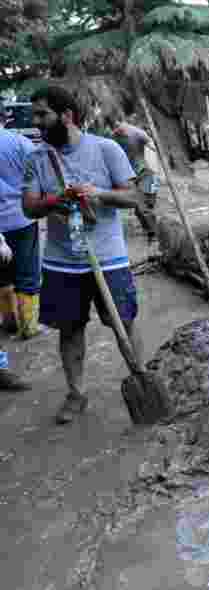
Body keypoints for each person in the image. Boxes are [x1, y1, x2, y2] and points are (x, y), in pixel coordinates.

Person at [21, 85, 144, 424]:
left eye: (43, 114)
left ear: (67, 115)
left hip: (109, 258)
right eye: (35, 115)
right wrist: (55, 201)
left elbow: (134, 197)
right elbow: (29, 207)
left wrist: (98, 194)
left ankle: (142, 378)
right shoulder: (37, 158)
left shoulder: (106, 149)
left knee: (124, 322)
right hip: (61, 262)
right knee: (70, 330)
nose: (36, 122)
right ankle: (76, 394)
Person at [0, 126, 43, 341]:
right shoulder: (20, 143)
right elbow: (40, 172)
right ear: (5, 116)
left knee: (1, 276)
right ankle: (29, 326)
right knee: (27, 274)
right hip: (22, 218)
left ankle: (9, 323)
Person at [111, 115, 160, 243]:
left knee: (144, 207)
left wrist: (155, 168)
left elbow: (153, 148)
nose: (118, 129)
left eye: (119, 125)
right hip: (132, 175)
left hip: (146, 172)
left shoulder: (138, 133)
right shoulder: (113, 137)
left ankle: (154, 233)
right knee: (139, 209)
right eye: (115, 127)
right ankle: (151, 231)